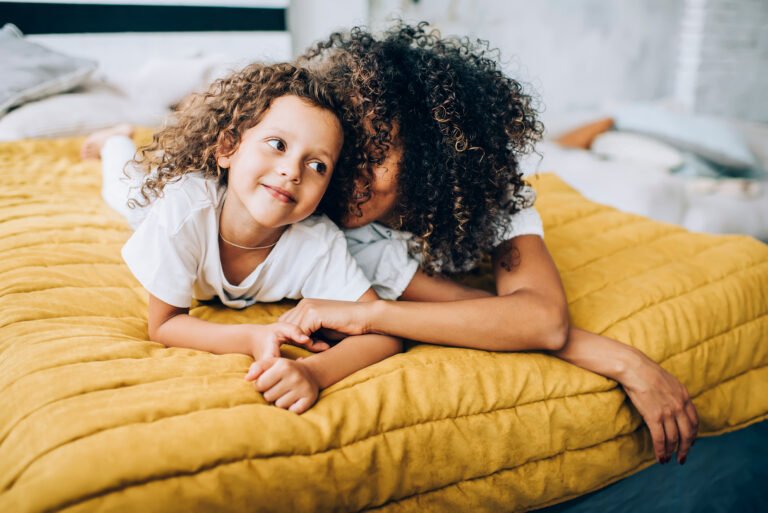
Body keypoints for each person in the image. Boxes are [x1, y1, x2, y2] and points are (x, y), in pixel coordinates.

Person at [282, 22, 698, 464]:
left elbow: (537, 316)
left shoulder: (482, 191)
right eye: (345, 152)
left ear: (431, 155)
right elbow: (521, 319)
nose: (350, 175)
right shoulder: (341, 228)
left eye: (377, 154)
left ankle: (597, 131)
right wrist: (622, 361)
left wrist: (371, 315)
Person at [81, 62, 401, 414]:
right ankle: (115, 140)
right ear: (228, 148)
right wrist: (252, 336)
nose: (291, 171)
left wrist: (314, 373)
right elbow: (165, 323)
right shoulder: (182, 209)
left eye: (317, 166)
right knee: (123, 190)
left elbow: (379, 332)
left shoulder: (316, 242)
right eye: (277, 144)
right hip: (160, 203)